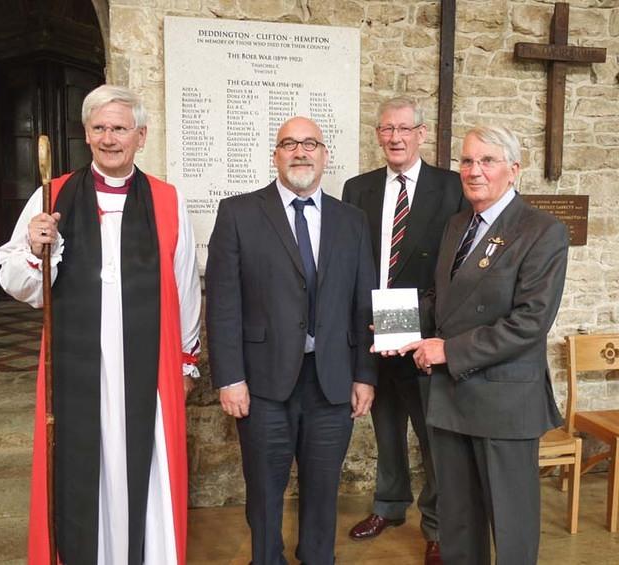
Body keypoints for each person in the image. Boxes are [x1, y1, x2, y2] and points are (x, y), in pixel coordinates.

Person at [0, 84, 201, 565]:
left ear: (141, 135)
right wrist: (33, 245)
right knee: (81, 464)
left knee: (146, 467)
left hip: (148, 368)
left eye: (120, 128)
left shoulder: (168, 200)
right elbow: (16, 282)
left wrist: (186, 360)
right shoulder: (54, 194)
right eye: (100, 128)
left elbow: (185, 285)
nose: (110, 138)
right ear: (86, 134)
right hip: (78, 369)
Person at [205, 116, 377, 565]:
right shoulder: (238, 213)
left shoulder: (352, 220)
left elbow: (364, 304)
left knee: (323, 487)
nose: (300, 152)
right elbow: (223, 303)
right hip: (262, 384)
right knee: (263, 488)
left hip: (332, 381)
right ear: (275, 155)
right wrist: (230, 378)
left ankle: (318, 557)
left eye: (310, 144)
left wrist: (365, 374)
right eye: (289, 144)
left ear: (324, 154)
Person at [394, 126, 568, 565]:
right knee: (458, 525)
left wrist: (448, 351)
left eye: (487, 161)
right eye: (467, 161)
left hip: (504, 403)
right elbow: (442, 301)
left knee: (511, 531)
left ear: (513, 170)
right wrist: (395, 327)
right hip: (452, 398)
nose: (474, 171)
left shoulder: (542, 231)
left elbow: (530, 322)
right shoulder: (458, 226)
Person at [342, 97, 464, 563]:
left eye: (403, 129)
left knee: (433, 437)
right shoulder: (358, 189)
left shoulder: (451, 187)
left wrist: (425, 325)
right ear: (378, 135)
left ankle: (435, 526)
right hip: (374, 331)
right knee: (385, 427)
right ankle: (389, 507)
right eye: (386, 130)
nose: (394, 138)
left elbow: (456, 264)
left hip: (425, 333)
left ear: (421, 133)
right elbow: (354, 260)